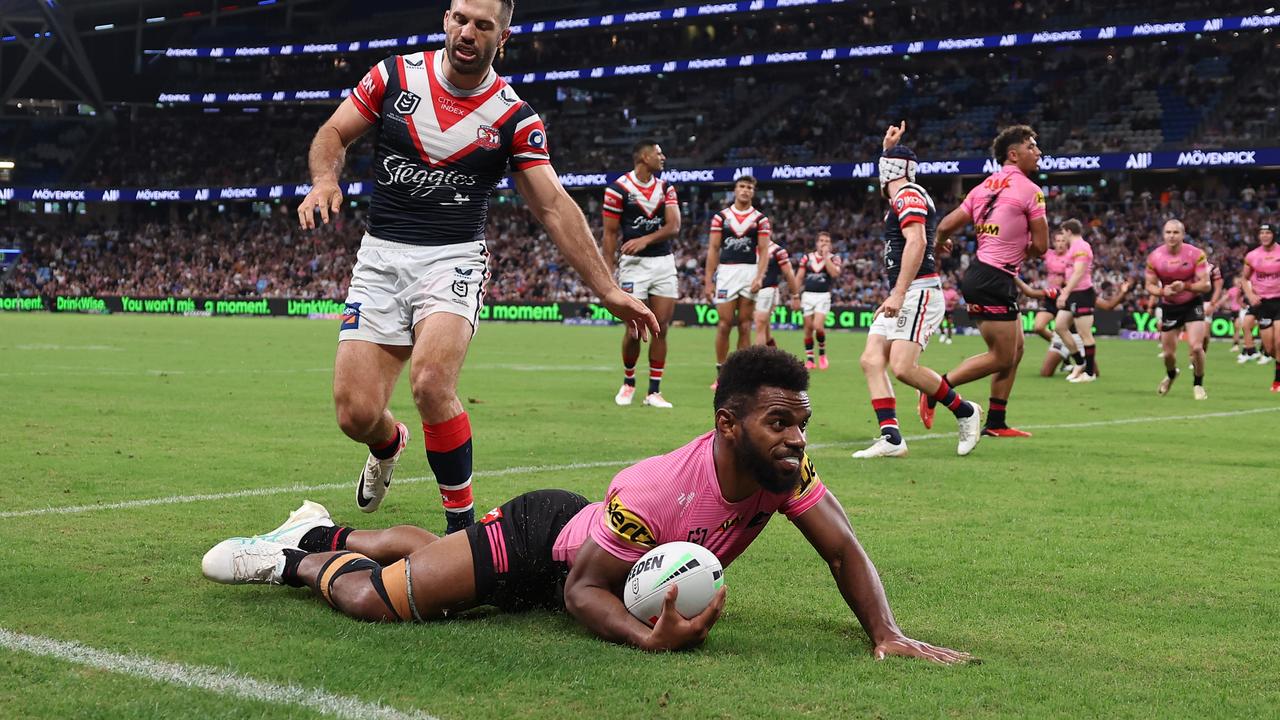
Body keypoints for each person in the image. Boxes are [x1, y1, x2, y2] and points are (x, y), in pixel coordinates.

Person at [202, 346, 974, 663]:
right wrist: (649, 644)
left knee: (431, 562)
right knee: (379, 604)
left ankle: (322, 524)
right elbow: (579, 592)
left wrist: (888, 633)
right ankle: (293, 559)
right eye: (779, 423)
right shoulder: (655, 492)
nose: (794, 441)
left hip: (590, 543)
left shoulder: (787, 472)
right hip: (542, 544)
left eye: (801, 424)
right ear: (727, 424)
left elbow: (842, 548)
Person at [295, 0, 658, 534]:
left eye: (483, 25)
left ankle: (461, 529)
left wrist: (607, 288)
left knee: (430, 381)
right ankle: (390, 443)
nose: (468, 32)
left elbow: (553, 206)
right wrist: (326, 178)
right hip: (380, 256)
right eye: (461, 19)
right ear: (446, 20)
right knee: (355, 415)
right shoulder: (394, 76)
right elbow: (333, 132)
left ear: (502, 37)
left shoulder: (514, 117)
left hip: (453, 257)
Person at [852, 123, 981, 459]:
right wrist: (887, 148)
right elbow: (924, 238)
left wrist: (898, 293)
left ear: (888, 172)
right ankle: (892, 437)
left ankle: (965, 411)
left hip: (917, 291)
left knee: (903, 367)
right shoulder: (904, 195)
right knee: (870, 359)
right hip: (906, 289)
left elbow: (917, 239)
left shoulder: (907, 194)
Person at [925, 125, 1049, 437]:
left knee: (1017, 349)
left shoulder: (982, 188)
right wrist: (1025, 249)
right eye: (1032, 147)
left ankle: (995, 422)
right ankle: (936, 388)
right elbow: (1042, 246)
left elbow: (946, 225)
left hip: (985, 274)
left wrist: (941, 242)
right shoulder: (1031, 191)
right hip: (995, 277)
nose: (1038, 152)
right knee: (1002, 355)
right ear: (1014, 154)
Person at [603, 140, 681, 409]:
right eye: (659, 153)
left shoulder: (666, 187)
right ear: (644, 156)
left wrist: (645, 239)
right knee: (634, 329)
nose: (663, 157)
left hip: (663, 262)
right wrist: (606, 271)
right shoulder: (618, 189)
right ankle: (629, 382)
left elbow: (674, 226)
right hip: (633, 266)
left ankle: (654, 392)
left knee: (661, 327)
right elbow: (610, 233)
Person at [705, 176, 771, 386]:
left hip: (749, 272)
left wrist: (760, 277)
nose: (745, 190)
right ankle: (721, 373)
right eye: (742, 186)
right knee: (724, 324)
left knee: (744, 325)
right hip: (726, 273)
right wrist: (708, 280)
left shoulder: (760, 219)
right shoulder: (721, 218)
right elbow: (714, 249)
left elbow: (763, 251)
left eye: (749, 187)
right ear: (735, 190)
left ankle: (741, 376)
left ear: (753, 192)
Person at [1144, 219, 1211, 399]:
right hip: (1170, 306)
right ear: (1163, 235)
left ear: (1183, 234)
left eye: (1175, 232)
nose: (1172, 236)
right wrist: (1161, 291)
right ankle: (1172, 375)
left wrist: (1186, 287)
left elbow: (1205, 285)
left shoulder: (1195, 254)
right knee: (1168, 355)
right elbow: (1148, 285)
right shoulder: (1154, 257)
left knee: (1196, 347)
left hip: (1192, 304)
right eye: (1168, 232)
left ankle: (1198, 384)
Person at [1054, 220, 1099, 383]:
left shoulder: (1081, 247)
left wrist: (1064, 293)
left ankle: (1089, 373)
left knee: (1085, 334)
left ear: (1068, 231)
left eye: (1063, 233)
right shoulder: (1073, 248)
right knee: (1060, 326)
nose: (1062, 237)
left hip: (1082, 293)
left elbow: (1079, 272)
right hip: (1073, 293)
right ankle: (1079, 363)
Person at [1241, 222, 1280, 391]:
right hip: (1263, 304)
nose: (1264, 235)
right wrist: (1250, 295)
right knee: (1270, 348)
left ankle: (1277, 381)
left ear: (1274, 235)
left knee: (1279, 342)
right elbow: (1244, 279)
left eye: (1268, 232)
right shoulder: (1252, 256)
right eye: (1262, 232)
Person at [795, 232, 842, 369]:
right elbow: (799, 277)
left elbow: (834, 273)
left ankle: (822, 353)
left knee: (818, 326)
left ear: (831, 244)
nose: (824, 243)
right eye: (821, 240)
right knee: (808, 329)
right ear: (816, 243)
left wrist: (826, 256)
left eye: (827, 241)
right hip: (807, 295)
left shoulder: (834, 258)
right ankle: (810, 358)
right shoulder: (807, 258)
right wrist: (795, 296)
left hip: (823, 296)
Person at [751, 238, 801, 348]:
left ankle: (758, 360)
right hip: (750, 291)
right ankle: (773, 354)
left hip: (768, 289)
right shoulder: (749, 247)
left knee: (760, 323)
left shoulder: (777, 250)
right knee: (765, 327)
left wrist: (795, 296)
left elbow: (789, 273)